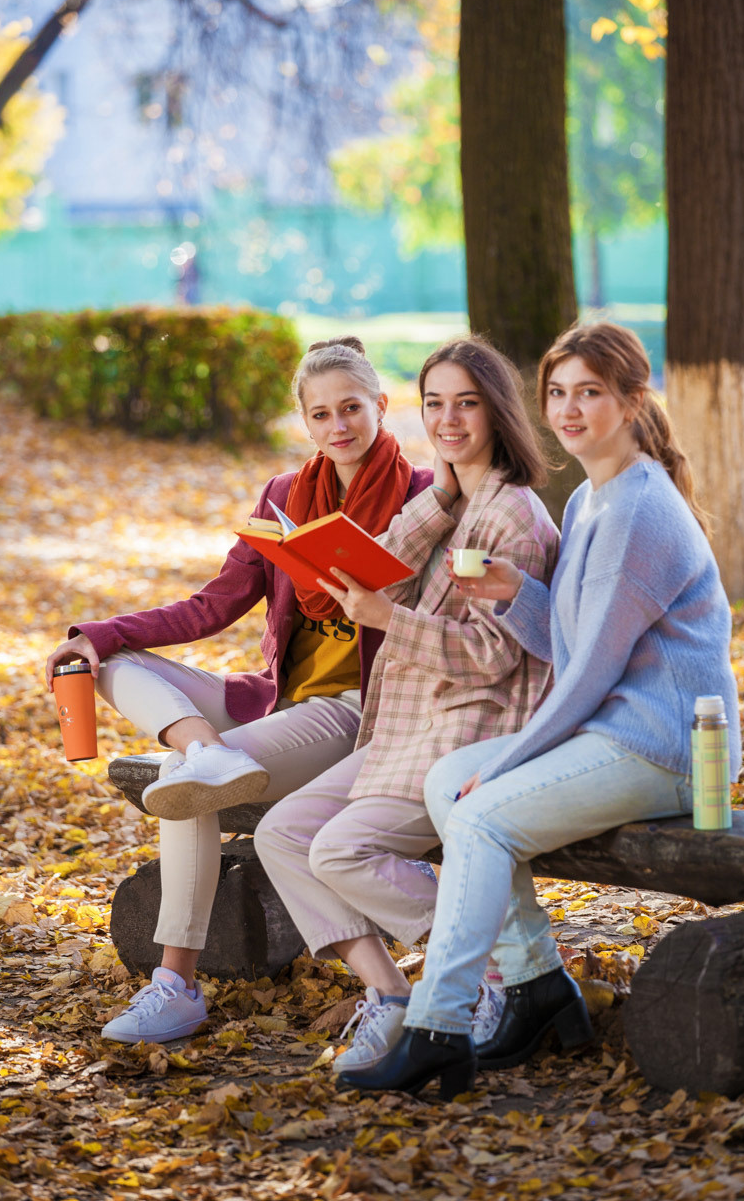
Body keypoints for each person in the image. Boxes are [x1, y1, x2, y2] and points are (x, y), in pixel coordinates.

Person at [336, 320, 742, 1100]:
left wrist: (506, 761)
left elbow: (587, 671)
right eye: (556, 392)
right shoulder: (596, 494)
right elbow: (572, 635)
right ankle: (533, 986)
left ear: (629, 401)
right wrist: (518, 595)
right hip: (613, 732)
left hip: (663, 749)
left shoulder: (634, 511)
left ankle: (437, 1028)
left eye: (589, 392)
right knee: (444, 782)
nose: (568, 408)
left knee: (480, 810)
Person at [44, 338, 432, 1044]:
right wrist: (99, 632)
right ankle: (202, 748)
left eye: (351, 408)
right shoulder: (283, 497)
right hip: (276, 701)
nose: (338, 425)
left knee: (182, 782)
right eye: (320, 414)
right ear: (305, 423)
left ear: (380, 406)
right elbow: (210, 606)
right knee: (113, 666)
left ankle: (176, 984)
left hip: (353, 712)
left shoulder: (424, 497)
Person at [254, 334, 560, 1077]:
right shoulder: (451, 501)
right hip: (402, 729)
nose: (449, 419)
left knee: (338, 848)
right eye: (435, 404)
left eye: (466, 404)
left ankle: (499, 970)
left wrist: (387, 621)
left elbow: (494, 656)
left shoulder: (511, 517)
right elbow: (384, 566)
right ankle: (389, 997)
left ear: (496, 412)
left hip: (465, 734)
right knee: (281, 832)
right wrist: (442, 498)